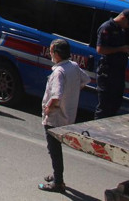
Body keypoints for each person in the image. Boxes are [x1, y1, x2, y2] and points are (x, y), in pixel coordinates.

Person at [38, 39, 90, 192]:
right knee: (55, 148)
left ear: (56, 54)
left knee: (54, 149)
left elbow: (56, 96)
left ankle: (58, 182)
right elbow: (85, 80)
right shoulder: (73, 66)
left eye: (51, 51)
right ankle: (56, 174)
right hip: (68, 115)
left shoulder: (59, 72)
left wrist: (48, 109)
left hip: (55, 117)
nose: (50, 54)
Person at [95, 9, 129, 119]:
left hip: (118, 72)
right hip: (108, 72)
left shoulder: (120, 29)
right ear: (123, 18)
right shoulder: (107, 28)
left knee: (116, 104)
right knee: (104, 107)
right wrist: (121, 49)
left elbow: (118, 47)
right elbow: (100, 49)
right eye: (128, 23)